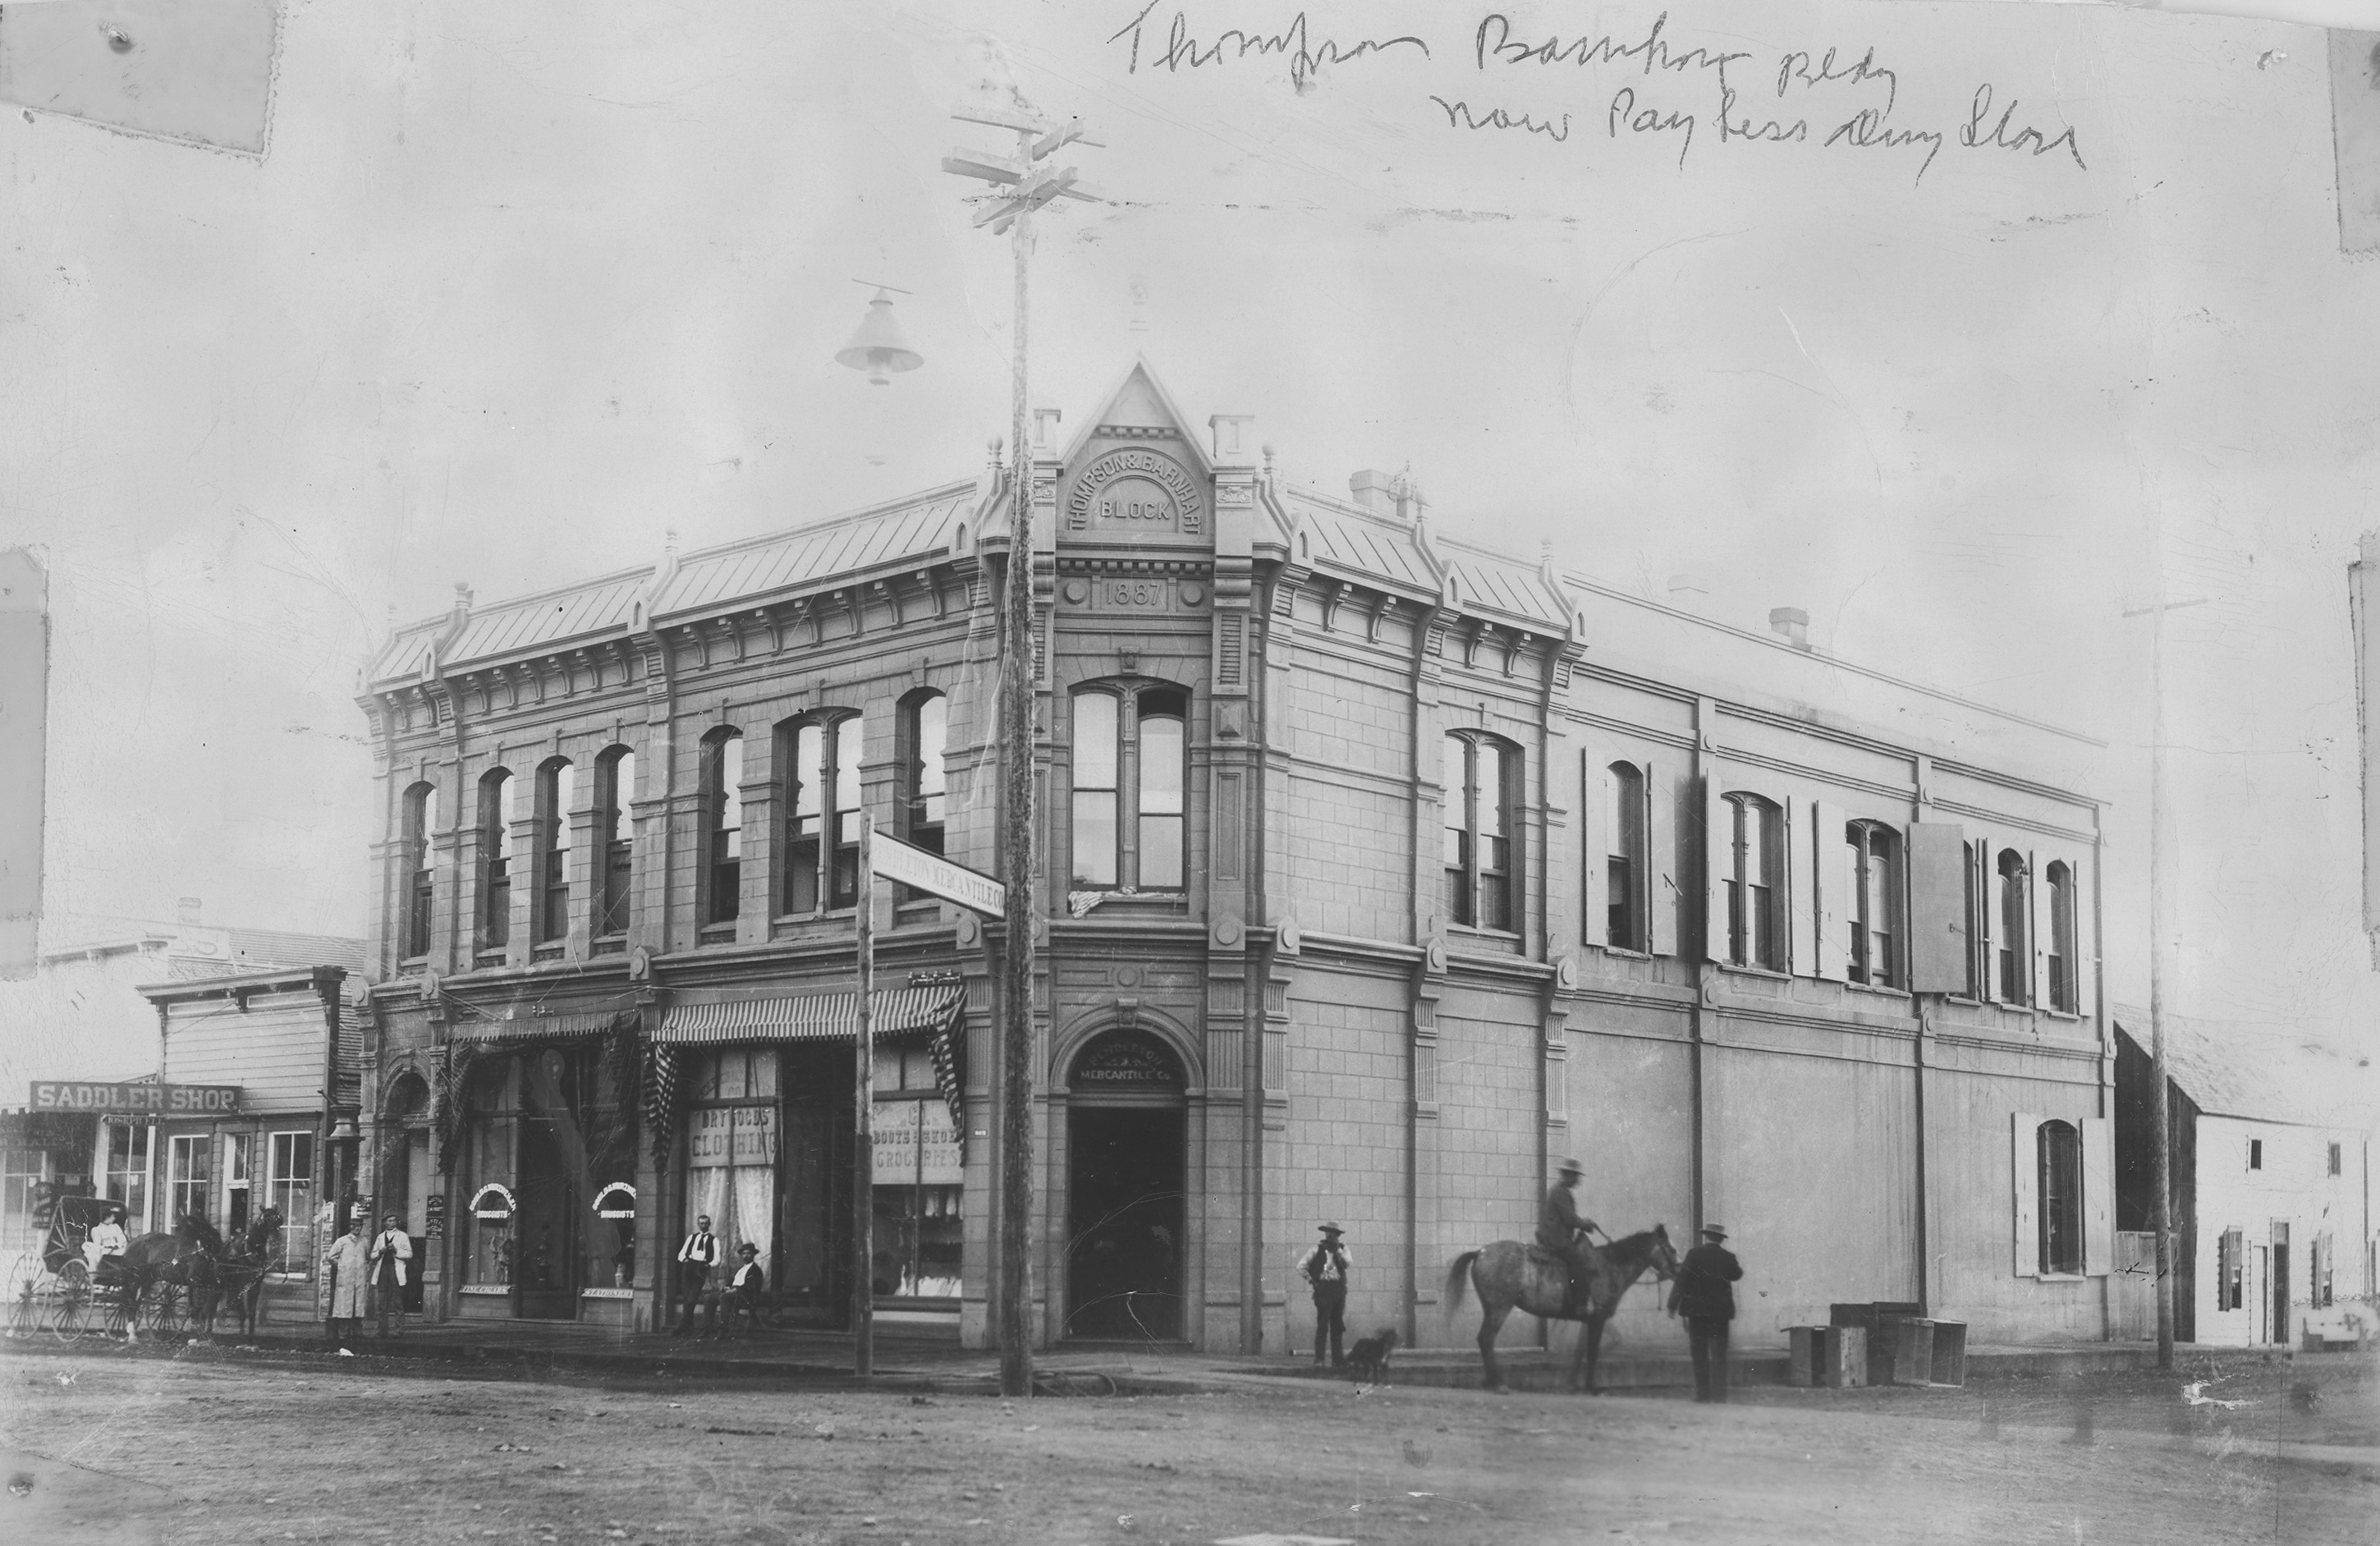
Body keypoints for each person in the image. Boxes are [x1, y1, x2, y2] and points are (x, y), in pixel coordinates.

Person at [1669, 1224, 1744, 1403]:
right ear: (1720, 1239)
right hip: (1720, 1313)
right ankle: (1719, 1396)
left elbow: (1682, 1280)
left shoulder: (1694, 1255)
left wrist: (1672, 1305)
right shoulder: (1728, 1257)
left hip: (1697, 1313)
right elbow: (1737, 1274)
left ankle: (1703, 1395)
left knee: (1699, 1353)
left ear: (1706, 1237)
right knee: (1719, 1354)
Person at [1537, 1158, 1603, 1317]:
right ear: (1568, 1175)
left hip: (1555, 1235)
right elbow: (1569, 1218)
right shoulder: (1561, 1192)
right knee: (1577, 1261)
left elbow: (1569, 1217)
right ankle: (1581, 1304)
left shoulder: (1560, 1191)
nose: (1577, 1180)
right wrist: (1585, 1225)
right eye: (1576, 1176)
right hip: (1556, 1238)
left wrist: (1583, 1222)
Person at [1298, 1223, 1353, 1368]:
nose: (1332, 1236)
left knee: (1337, 1325)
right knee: (1323, 1325)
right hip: (1324, 1289)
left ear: (1338, 1236)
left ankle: (1337, 1359)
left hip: (1338, 1289)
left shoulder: (1343, 1249)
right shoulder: (1317, 1250)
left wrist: (1338, 1251)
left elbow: (1348, 1264)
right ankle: (1319, 1359)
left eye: (1335, 1234)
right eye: (1329, 1233)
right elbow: (1301, 1266)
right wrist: (1312, 1281)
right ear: (1325, 1234)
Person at [323, 1214, 370, 1351]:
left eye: (359, 1226)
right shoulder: (342, 1241)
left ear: (362, 1227)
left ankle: (357, 1332)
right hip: (346, 1278)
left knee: (358, 1304)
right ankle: (344, 1333)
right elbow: (331, 1256)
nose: (356, 1229)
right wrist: (342, 1265)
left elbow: (368, 1256)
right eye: (354, 1226)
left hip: (359, 1278)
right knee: (345, 1306)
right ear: (350, 1227)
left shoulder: (365, 1241)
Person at [673, 1213, 722, 1336]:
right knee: (686, 1297)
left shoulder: (714, 1240)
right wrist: (685, 1260)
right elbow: (681, 1253)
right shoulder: (692, 1237)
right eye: (701, 1223)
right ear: (698, 1224)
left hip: (701, 1268)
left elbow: (717, 1259)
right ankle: (688, 1326)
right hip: (689, 1266)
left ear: (709, 1224)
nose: (704, 1226)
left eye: (706, 1223)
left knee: (692, 1298)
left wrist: (708, 1265)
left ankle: (683, 1325)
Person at [367, 1213, 413, 1337]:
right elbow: (372, 1255)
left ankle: (399, 1330)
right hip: (382, 1269)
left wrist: (396, 1251)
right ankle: (381, 1330)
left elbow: (409, 1254)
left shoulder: (402, 1236)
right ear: (385, 1223)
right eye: (389, 1221)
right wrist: (380, 1252)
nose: (392, 1223)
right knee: (382, 1302)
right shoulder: (380, 1237)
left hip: (395, 1269)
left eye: (394, 1221)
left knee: (398, 1301)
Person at [721, 1242, 767, 1339]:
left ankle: (723, 1329)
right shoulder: (740, 1269)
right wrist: (727, 1288)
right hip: (734, 1295)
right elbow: (731, 1282)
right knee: (709, 1298)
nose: (746, 1256)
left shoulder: (755, 1270)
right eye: (744, 1253)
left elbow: (751, 1287)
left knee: (724, 1297)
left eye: (748, 1253)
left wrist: (735, 1290)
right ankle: (707, 1328)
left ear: (753, 1255)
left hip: (746, 1298)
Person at [84, 1204, 130, 1277]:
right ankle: (97, 1275)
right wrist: (107, 1247)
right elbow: (97, 1244)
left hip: (118, 1249)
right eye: (113, 1216)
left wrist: (117, 1245)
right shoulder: (97, 1230)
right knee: (95, 1254)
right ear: (107, 1217)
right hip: (105, 1251)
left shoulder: (116, 1227)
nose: (114, 1218)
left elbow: (122, 1239)